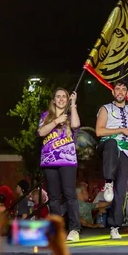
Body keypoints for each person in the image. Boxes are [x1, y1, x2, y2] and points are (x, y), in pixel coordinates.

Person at [38, 87, 81, 241]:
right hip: (49, 161)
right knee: (54, 197)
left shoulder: (70, 116)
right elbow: (41, 132)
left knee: (70, 195)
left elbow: (76, 125)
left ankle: (75, 229)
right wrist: (56, 121)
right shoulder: (45, 116)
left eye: (64, 97)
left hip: (67, 161)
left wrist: (74, 104)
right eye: (58, 96)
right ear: (54, 100)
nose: (61, 99)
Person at [95, 82, 128, 239]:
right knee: (112, 143)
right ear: (113, 92)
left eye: (124, 89)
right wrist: (121, 130)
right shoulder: (106, 108)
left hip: (124, 150)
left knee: (122, 189)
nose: (120, 91)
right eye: (117, 89)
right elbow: (99, 131)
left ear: (126, 93)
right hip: (107, 146)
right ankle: (108, 181)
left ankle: (114, 226)